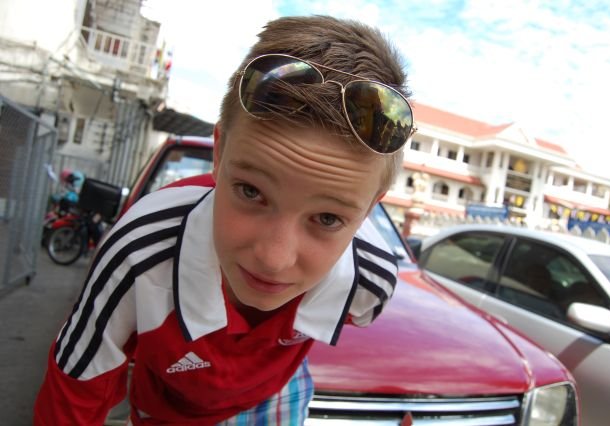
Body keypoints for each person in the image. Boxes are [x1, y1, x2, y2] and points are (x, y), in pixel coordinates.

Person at [34, 15, 415, 425]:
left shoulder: (370, 279)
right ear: (218, 154)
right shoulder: (139, 254)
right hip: (164, 408)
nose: (273, 259)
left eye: (327, 218)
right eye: (251, 192)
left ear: (368, 210)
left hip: (276, 395)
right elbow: (75, 392)